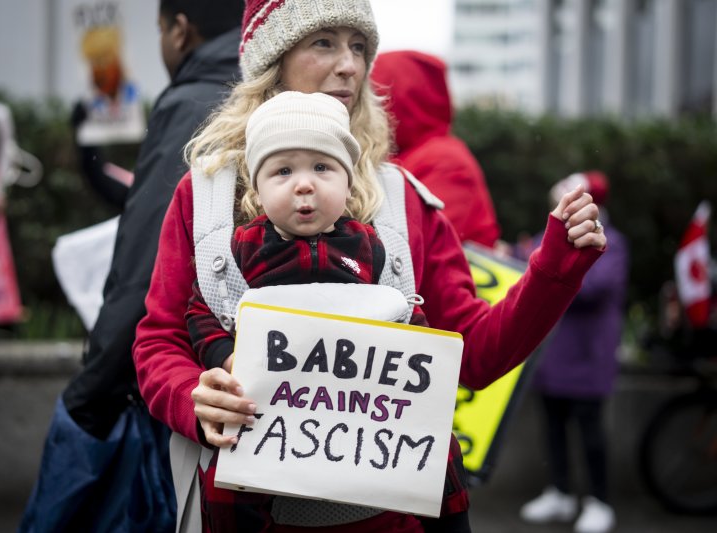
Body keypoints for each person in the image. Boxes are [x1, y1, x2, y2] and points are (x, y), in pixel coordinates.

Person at [132, 1, 607, 531]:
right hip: (244, 515)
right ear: (272, 61)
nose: (350, 65)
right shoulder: (203, 194)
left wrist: (555, 270)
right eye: (324, 43)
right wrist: (190, 398)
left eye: (359, 46)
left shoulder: (407, 201)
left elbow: (470, 356)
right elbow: (159, 341)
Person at [20, 1, 244, 531]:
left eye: (161, 30)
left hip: (185, 401)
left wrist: (89, 394)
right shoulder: (261, 93)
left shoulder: (194, 103)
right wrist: (89, 154)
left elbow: (145, 268)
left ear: (180, 31)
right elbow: (147, 208)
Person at [187, 89, 427, 374]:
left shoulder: (369, 247)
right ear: (258, 191)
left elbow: (405, 312)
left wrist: (419, 360)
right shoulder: (244, 249)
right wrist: (228, 359)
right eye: (284, 171)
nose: (304, 184)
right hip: (272, 402)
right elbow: (203, 312)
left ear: (348, 186)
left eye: (321, 167)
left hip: (352, 400)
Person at [518, 171, 628, 533]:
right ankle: (560, 492)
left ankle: (599, 500)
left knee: (591, 433)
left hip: (587, 355)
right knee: (553, 428)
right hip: (551, 355)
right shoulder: (548, 235)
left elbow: (593, 285)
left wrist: (548, 268)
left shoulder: (612, 241)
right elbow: (525, 270)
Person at [370, 50, 500, 248]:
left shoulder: (444, 159)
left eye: (375, 98)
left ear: (394, 101)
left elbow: (417, 244)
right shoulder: (413, 155)